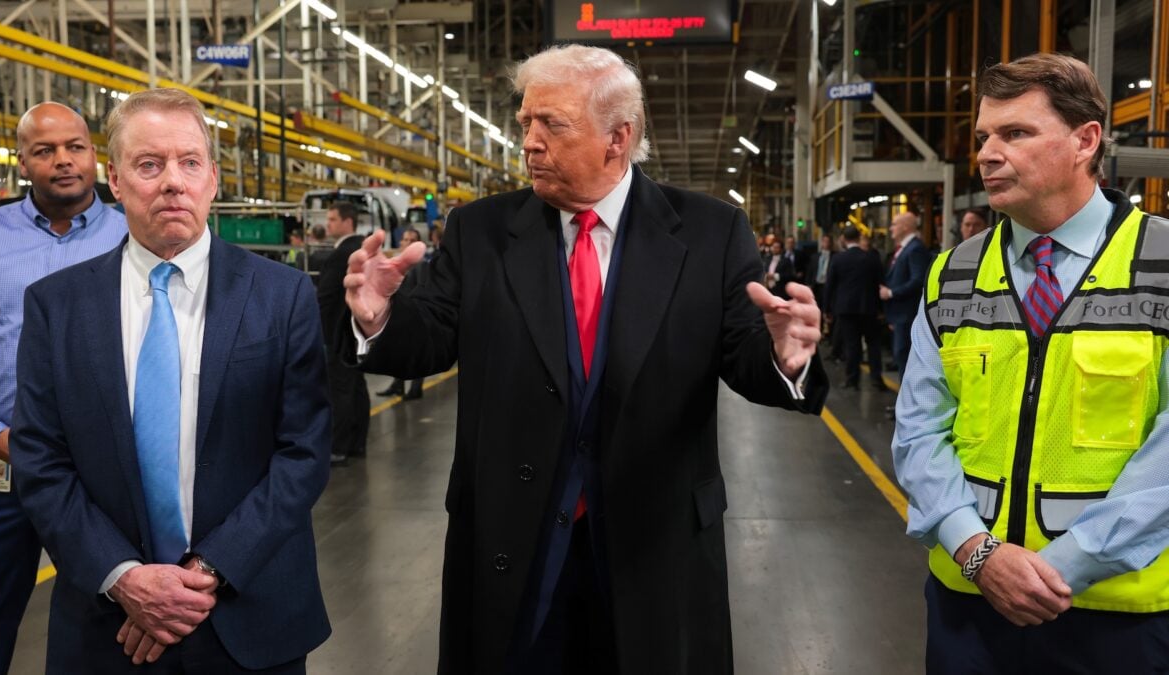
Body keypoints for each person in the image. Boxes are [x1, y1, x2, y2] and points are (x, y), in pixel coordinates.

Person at [341, 44, 827, 674]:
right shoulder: (480, 232)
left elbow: (743, 355)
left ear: (617, 137)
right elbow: (432, 336)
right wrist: (379, 317)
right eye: (526, 122)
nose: (530, 142)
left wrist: (786, 357)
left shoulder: (710, 233)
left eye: (553, 124)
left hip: (653, 543)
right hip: (515, 541)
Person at [10, 88, 331, 673]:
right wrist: (124, 577)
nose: (173, 183)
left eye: (189, 162)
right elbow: (41, 459)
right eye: (149, 164)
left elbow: (304, 452)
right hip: (107, 623)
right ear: (115, 179)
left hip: (249, 610)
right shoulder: (57, 305)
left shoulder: (282, 296)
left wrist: (207, 571)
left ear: (213, 178)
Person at [893, 52, 1169, 672]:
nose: (987, 154)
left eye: (1015, 133)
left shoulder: (1162, 264)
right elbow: (918, 432)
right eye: (983, 137)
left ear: (1084, 141)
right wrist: (978, 553)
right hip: (969, 608)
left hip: (1117, 618)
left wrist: (1062, 567)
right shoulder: (954, 273)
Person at [0, 102, 129, 675]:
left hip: (107, 473)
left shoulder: (133, 236)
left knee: (112, 625)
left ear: (95, 156)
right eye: (45, 150)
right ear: (22, 163)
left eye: (75, 147)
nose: (63, 160)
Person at [319, 202, 369, 463]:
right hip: (358, 333)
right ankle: (357, 443)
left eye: (332, 219)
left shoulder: (342, 254)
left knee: (340, 391)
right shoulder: (362, 248)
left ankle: (338, 448)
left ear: (348, 222)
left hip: (338, 333)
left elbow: (326, 298)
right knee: (356, 387)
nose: (328, 224)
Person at [825, 226, 886, 391]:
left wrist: (827, 310)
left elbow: (830, 286)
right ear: (859, 238)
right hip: (869, 308)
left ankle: (852, 379)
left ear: (844, 239)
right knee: (873, 344)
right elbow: (880, 283)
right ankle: (876, 378)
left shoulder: (838, 259)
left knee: (852, 345)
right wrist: (881, 309)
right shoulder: (872, 258)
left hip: (846, 309)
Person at [377, 228, 429, 401]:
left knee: (415, 352)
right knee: (399, 351)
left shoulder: (420, 264)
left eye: (411, 240)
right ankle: (397, 385)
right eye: (405, 239)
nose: (406, 242)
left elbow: (420, 289)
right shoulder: (398, 262)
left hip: (412, 314)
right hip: (397, 312)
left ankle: (416, 388)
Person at [878, 211, 930, 378]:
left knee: (905, 356)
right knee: (901, 356)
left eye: (894, 224)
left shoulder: (915, 249)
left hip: (907, 315)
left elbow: (918, 280)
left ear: (906, 227)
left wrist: (891, 293)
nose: (891, 228)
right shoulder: (905, 248)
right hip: (899, 314)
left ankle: (907, 394)